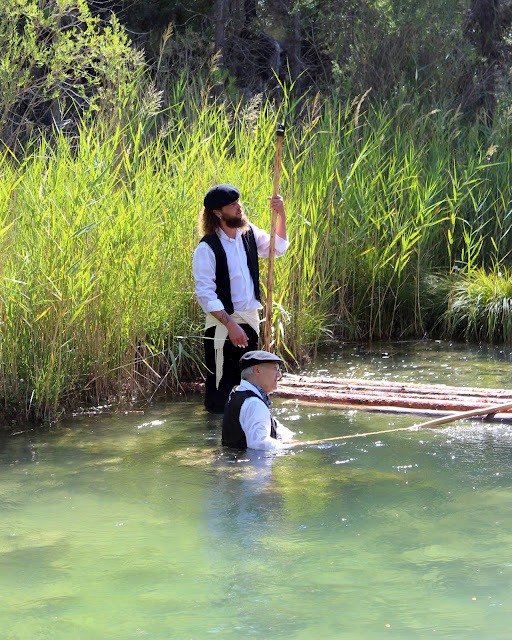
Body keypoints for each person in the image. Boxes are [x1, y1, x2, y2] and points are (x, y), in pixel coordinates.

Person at [192, 184, 289, 413]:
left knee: (247, 389)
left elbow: (278, 248)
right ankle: (215, 441)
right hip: (222, 327)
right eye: (232, 205)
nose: (239, 207)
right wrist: (231, 325)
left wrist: (281, 214)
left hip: (250, 324)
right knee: (221, 391)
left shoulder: (249, 234)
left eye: (238, 202)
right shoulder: (207, 248)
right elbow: (206, 296)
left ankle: (244, 437)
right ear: (217, 212)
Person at [222, 350, 297, 450]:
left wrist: (288, 437)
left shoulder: (238, 392)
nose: (279, 375)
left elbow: (272, 424)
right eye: (275, 369)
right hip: (251, 464)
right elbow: (259, 444)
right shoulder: (254, 403)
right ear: (257, 370)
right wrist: (290, 447)